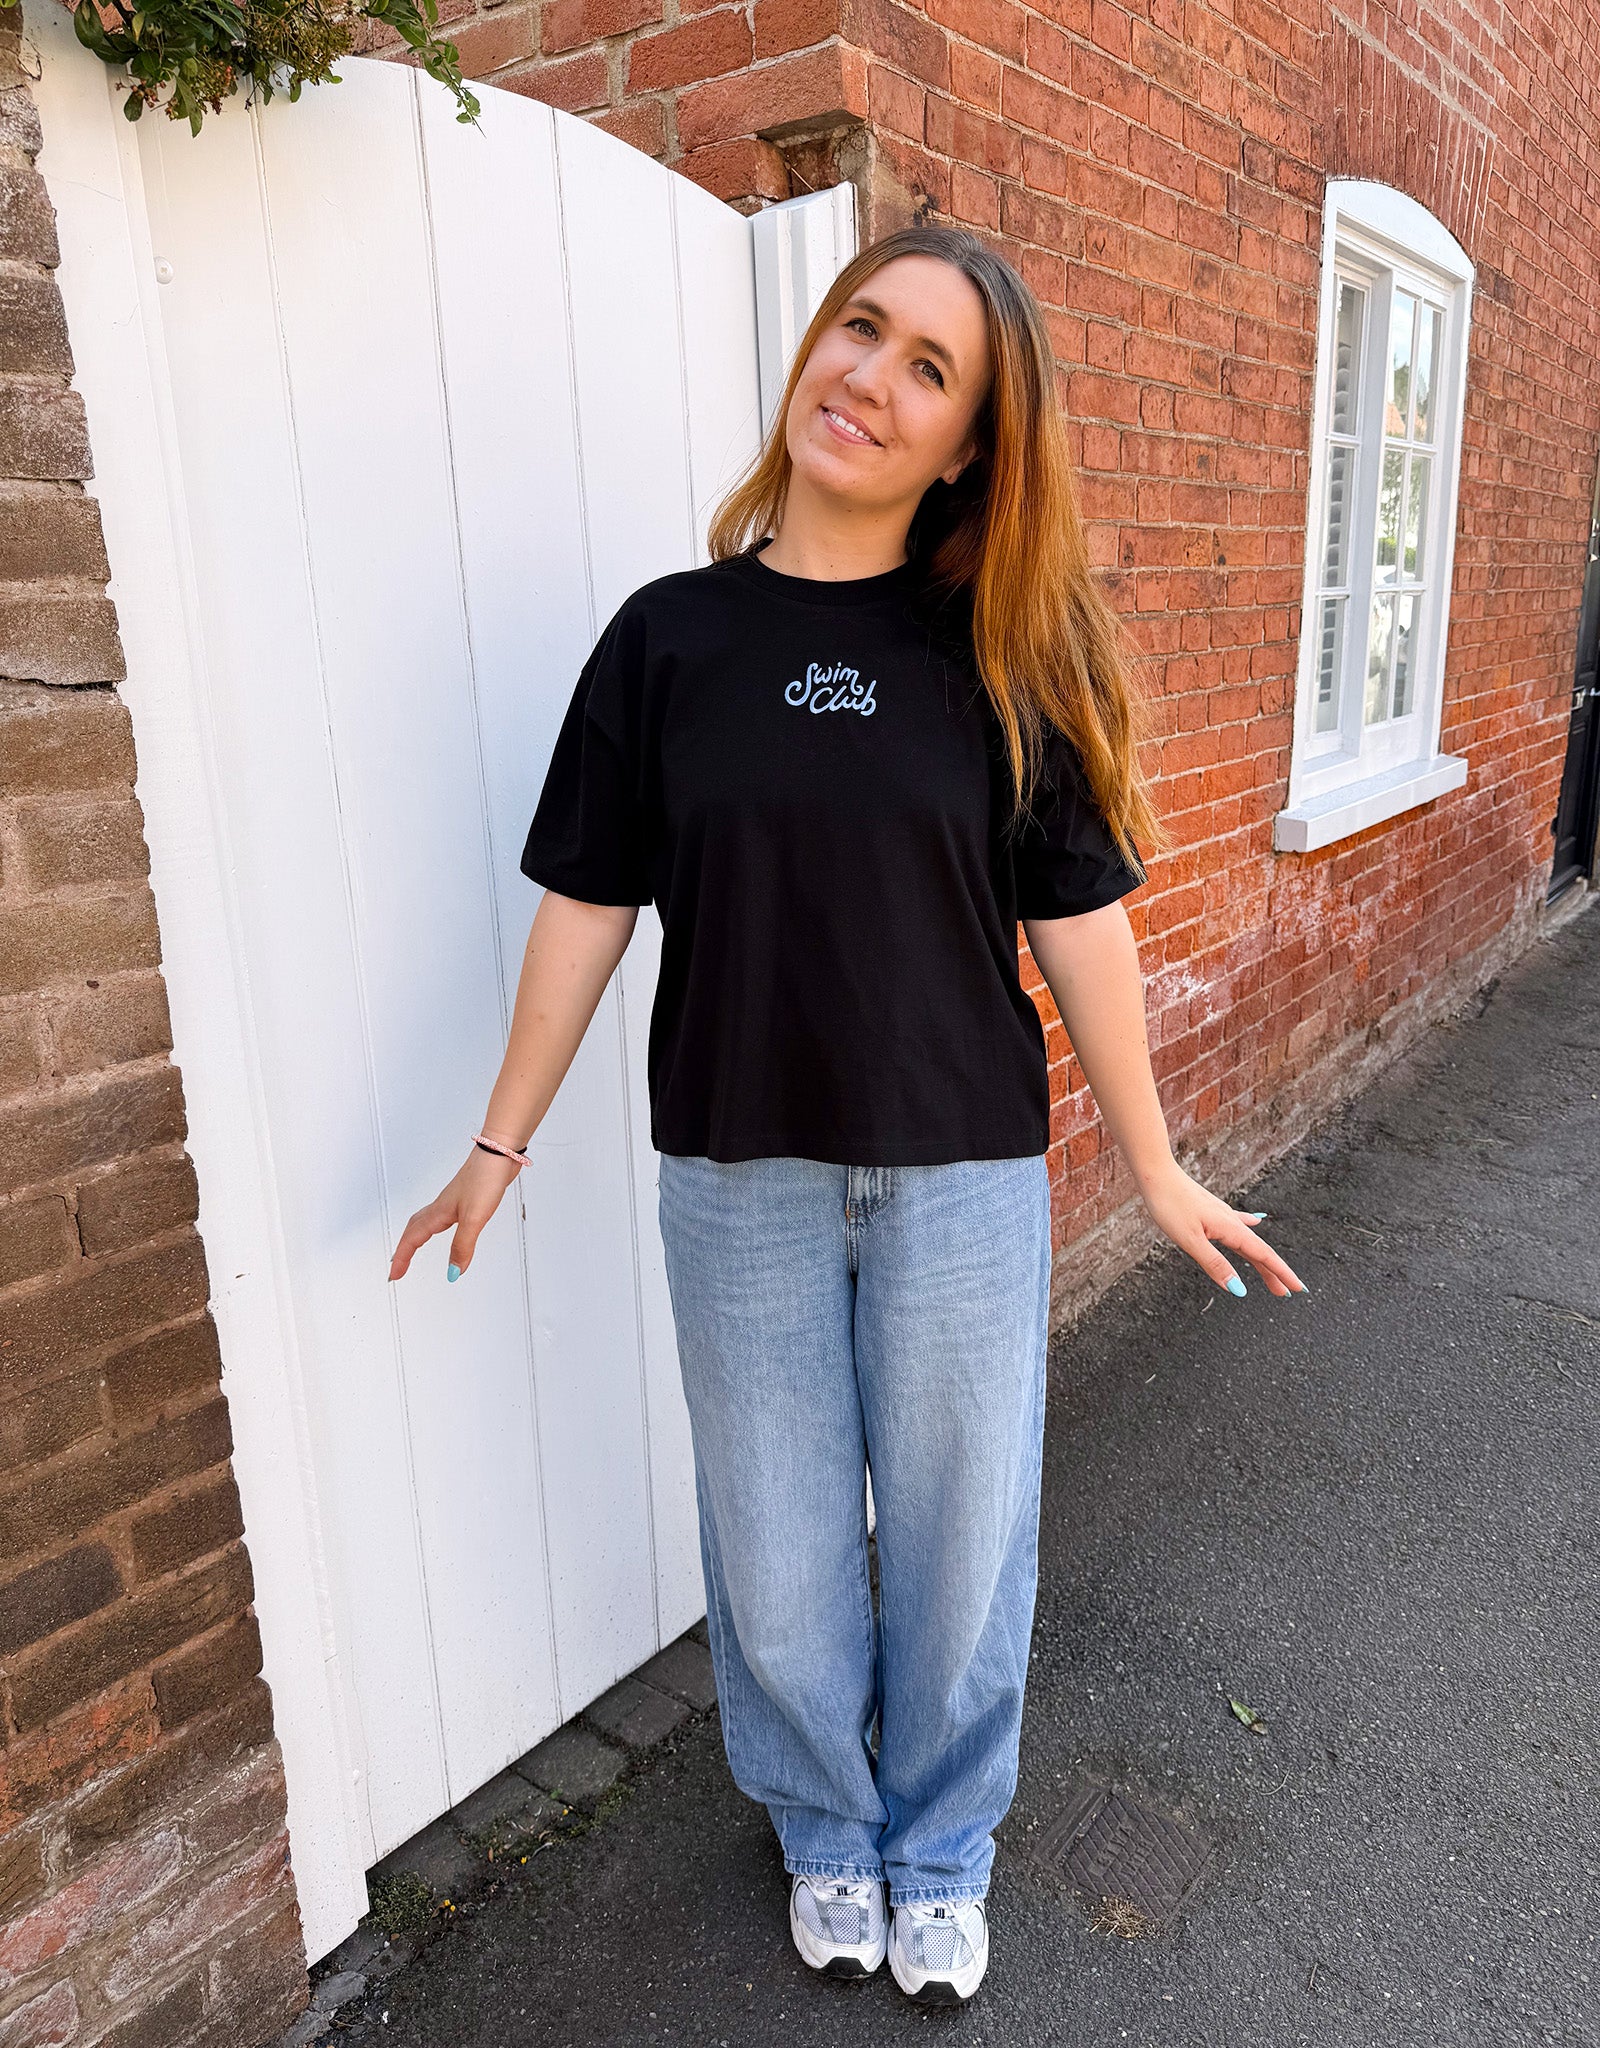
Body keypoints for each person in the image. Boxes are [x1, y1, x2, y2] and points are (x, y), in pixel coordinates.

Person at [389, 223, 1306, 2007]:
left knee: (964, 1539)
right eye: (862, 328)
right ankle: (825, 1825)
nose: (871, 378)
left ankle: (943, 1849)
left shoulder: (1000, 652)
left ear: (967, 447)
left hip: (960, 1173)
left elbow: (1078, 923)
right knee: (778, 1542)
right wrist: (498, 1143)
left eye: (928, 368)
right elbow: (587, 904)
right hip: (736, 1176)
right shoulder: (668, 642)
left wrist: (1156, 1161)